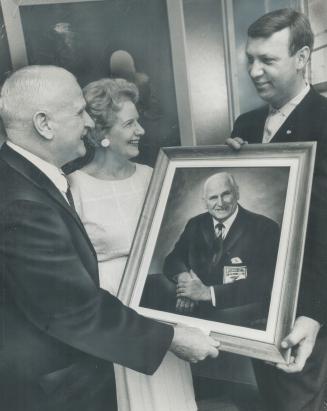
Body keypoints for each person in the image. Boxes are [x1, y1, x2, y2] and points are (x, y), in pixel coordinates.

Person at [0, 65, 219, 411]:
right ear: (44, 124)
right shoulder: (21, 201)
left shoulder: (23, 179)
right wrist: (171, 337)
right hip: (54, 385)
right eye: (78, 112)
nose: (88, 123)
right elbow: (73, 307)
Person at [69, 78, 198, 411]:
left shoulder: (152, 176)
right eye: (129, 123)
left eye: (138, 120)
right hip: (114, 317)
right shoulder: (74, 188)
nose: (141, 130)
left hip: (160, 305)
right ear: (101, 135)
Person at [226, 8, 327, 411]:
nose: (254, 71)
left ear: (302, 58)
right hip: (255, 300)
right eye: (250, 59)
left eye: (268, 60)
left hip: (306, 305)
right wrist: (226, 164)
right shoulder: (245, 126)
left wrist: (315, 313)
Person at [163, 172, 280, 328]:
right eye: (213, 197)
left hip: (239, 312)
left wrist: (207, 293)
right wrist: (186, 283)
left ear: (237, 193)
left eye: (226, 194)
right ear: (205, 202)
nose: (220, 203)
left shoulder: (265, 227)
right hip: (196, 311)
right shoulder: (196, 224)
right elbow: (173, 259)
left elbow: (266, 282)